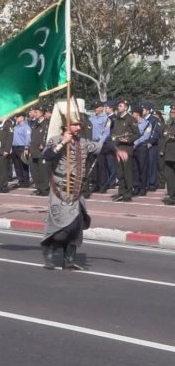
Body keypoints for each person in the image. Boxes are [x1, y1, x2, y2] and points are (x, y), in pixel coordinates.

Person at [41, 103, 122, 269]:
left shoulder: (83, 143)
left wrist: (115, 150)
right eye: (75, 124)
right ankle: (50, 250)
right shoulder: (55, 140)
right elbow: (47, 156)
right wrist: (62, 142)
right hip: (60, 190)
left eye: (79, 124)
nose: (78, 127)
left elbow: (101, 147)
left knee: (76, 225)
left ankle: (69, 260)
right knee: (60, 225)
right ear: (66, 125)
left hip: (77, 190)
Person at [110, 100, 139, 201]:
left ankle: (128, 193)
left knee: (127, 172)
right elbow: (113, 134)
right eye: (118, 106)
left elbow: (137, 133)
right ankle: (121, 192)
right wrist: (113, 140)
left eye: (121, 106)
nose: (119, 107)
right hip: (118, 149)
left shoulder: (131, 119)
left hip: (127, 149)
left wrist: (129, 140)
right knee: (119, 172)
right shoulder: (117, 119)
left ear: (126, 108)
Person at [161, 106, 175, 205]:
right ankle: (172, 196)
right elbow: (164, 138)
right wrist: (162, 150)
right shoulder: (169, 124)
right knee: (169, 176)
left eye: (174, 111)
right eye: (172, 111)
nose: (172, 113)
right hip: (169, 154)